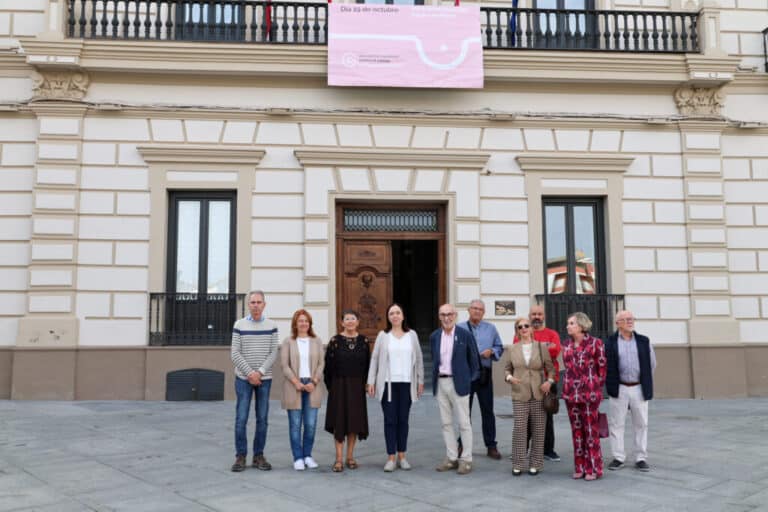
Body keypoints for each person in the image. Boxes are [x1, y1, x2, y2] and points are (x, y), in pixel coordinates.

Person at [367, 303, 424, 472]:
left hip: (407, 384)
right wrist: (371, 381)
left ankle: (402, 456)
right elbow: (375, 359)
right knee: (390, 421)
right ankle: (391, 457)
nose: (395, 316)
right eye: (392, 313)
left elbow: (419, 358)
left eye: (398, 312)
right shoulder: (383, 335)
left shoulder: (412, 335)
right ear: (388, 317)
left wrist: (420, 380)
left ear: (403, 316)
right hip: (387, 384)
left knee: (403, 420)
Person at [230, 290, 279, 472]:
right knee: (241, 418)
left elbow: (273, 352)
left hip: (264, 379)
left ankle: (258, 455)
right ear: (248, 305)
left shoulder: (272, 325)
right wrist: (250, 373)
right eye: (253, 302)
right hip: (243, 378)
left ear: (264, 305)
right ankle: (240, 456)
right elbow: (234, 353)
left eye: (259, 302)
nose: (256, 305)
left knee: (262, 418)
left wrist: (260, 372)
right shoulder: (239, 325)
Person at [430, 303, 480, 475]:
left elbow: (474, 361)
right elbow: (435, 360)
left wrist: (468, 379)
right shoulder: (435, 336)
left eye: (450, 314)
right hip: (441, 383)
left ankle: (466, 459)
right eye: (443, 314)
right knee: (446, 423)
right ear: (439, 316)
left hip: (459, 383)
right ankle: (451, 457)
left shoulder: (465, 335)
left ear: (455, 315)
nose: (446, 318)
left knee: (464, 423)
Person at [606, 310, 657, 472]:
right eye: (626, 319)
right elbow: (606, 366)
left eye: (631, 319)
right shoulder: (610, 342)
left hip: (638, 387)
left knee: (641, 423)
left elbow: (652, 364)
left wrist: (644, 381)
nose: (630, 322)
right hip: (619, 387)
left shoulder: (644, 341)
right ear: (617, 323)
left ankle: (641, 457)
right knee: (616, 424)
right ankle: (618, 457)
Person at [505, 317, 555, 476]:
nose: (524, 328)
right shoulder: (512, 349)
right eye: (520, 327)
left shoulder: (541, 347)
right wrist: (509, 378)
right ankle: (518, 463)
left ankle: (536, 463)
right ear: (517, 331)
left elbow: (551, 369)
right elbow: (507, 369)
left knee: (539, 429)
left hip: (539, 393)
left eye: (527, 326)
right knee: (519, 429)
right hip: (519, 392)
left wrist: (550, 381)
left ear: (532, 329)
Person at [562, 311, 607, 481]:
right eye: (568, 323)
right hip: (570, 394)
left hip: (589, 394)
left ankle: (594, 468)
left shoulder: (596, 343)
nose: (568, 326)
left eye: (571, 323)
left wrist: (595, 388)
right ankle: (579, 466)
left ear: (581, 325)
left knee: (590, 431)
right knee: (576, 431)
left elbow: (601, 369)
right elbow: (566, 367)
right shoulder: (566, 344)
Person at [324, 310, 370, 473]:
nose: (350, 321)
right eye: (347, 319)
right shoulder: (335, 341)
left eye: (353, 319)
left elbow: (367, 365)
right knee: (339, 422)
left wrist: (366, 384)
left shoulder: (364, 341)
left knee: (353, 423)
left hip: (357, 387)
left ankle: (350, 457)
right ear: (342, 323)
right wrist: (333, 387)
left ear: (358, 322)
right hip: (338, 386)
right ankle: (338, 459)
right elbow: (327, 367)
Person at [280, 309, 325, 471]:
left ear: (310, 323)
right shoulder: (288, 341)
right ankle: (297, 457)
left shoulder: (317, 341)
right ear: (295, 323)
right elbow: (284, 365)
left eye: (306, 321)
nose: (303, 323)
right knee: (295, 424)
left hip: (312, 385)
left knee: (311, 424)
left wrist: (314, 381)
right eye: (300, 321)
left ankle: (308, 455)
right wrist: (295, 382)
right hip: (294, 386)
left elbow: (321, 364)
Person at [459, 299, 503, 460]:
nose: (477, 311)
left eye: (480, 309)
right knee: (465, 412)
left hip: (485, 375)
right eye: (474, 308)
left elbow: (500, 347)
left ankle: (491, 445)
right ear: (469, 310)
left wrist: (491, 351)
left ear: (483, 312)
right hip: (466, 375)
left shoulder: (491, 329)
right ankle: (462, 443)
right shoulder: (460, 328)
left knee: (487, 411)